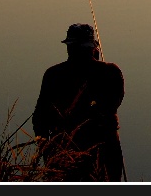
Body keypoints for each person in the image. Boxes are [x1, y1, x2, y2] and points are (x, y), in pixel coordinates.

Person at [32, 23, 125, 181]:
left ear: (69, 47)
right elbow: (111, 106)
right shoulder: (110, 72)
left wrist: (47, 152)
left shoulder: (53, 75)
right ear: (92, 48)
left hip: (64, 152)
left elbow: (39, 118)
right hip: (103, 153)